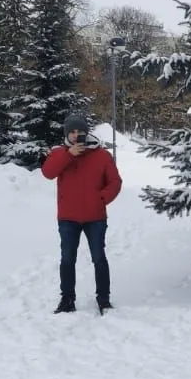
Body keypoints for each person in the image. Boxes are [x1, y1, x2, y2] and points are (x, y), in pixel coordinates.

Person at [41, 114, 122, 314]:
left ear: (87, 132)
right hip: (68, 217)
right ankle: (67, 299)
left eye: (80, 131)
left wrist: (101, 198)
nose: (77, 135)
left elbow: (115, 182)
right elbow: (48, 173)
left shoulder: (102, 155)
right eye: (72, 132)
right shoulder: (59, 153)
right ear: (67, 134)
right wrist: (69, 155)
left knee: (99, 258)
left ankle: (104, 300)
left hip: (95, 217)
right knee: (67, 259)